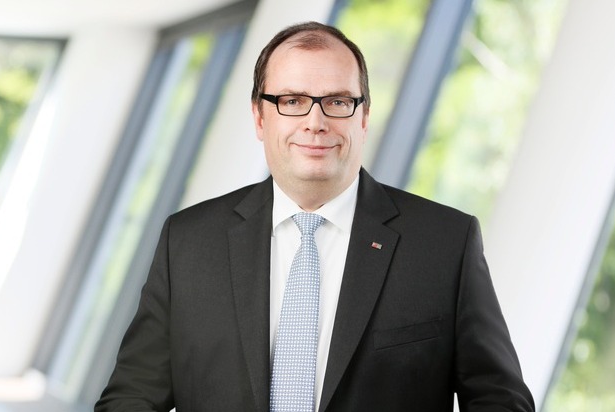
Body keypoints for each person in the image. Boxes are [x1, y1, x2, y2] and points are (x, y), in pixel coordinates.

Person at [95, 21, 535, 411]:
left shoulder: (445, 243)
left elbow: (501, 400)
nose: (315, 121)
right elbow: (131, 397)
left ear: (364, 117)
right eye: (292, 100)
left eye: (338, 102)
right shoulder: (189, 242)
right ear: (260, 117)